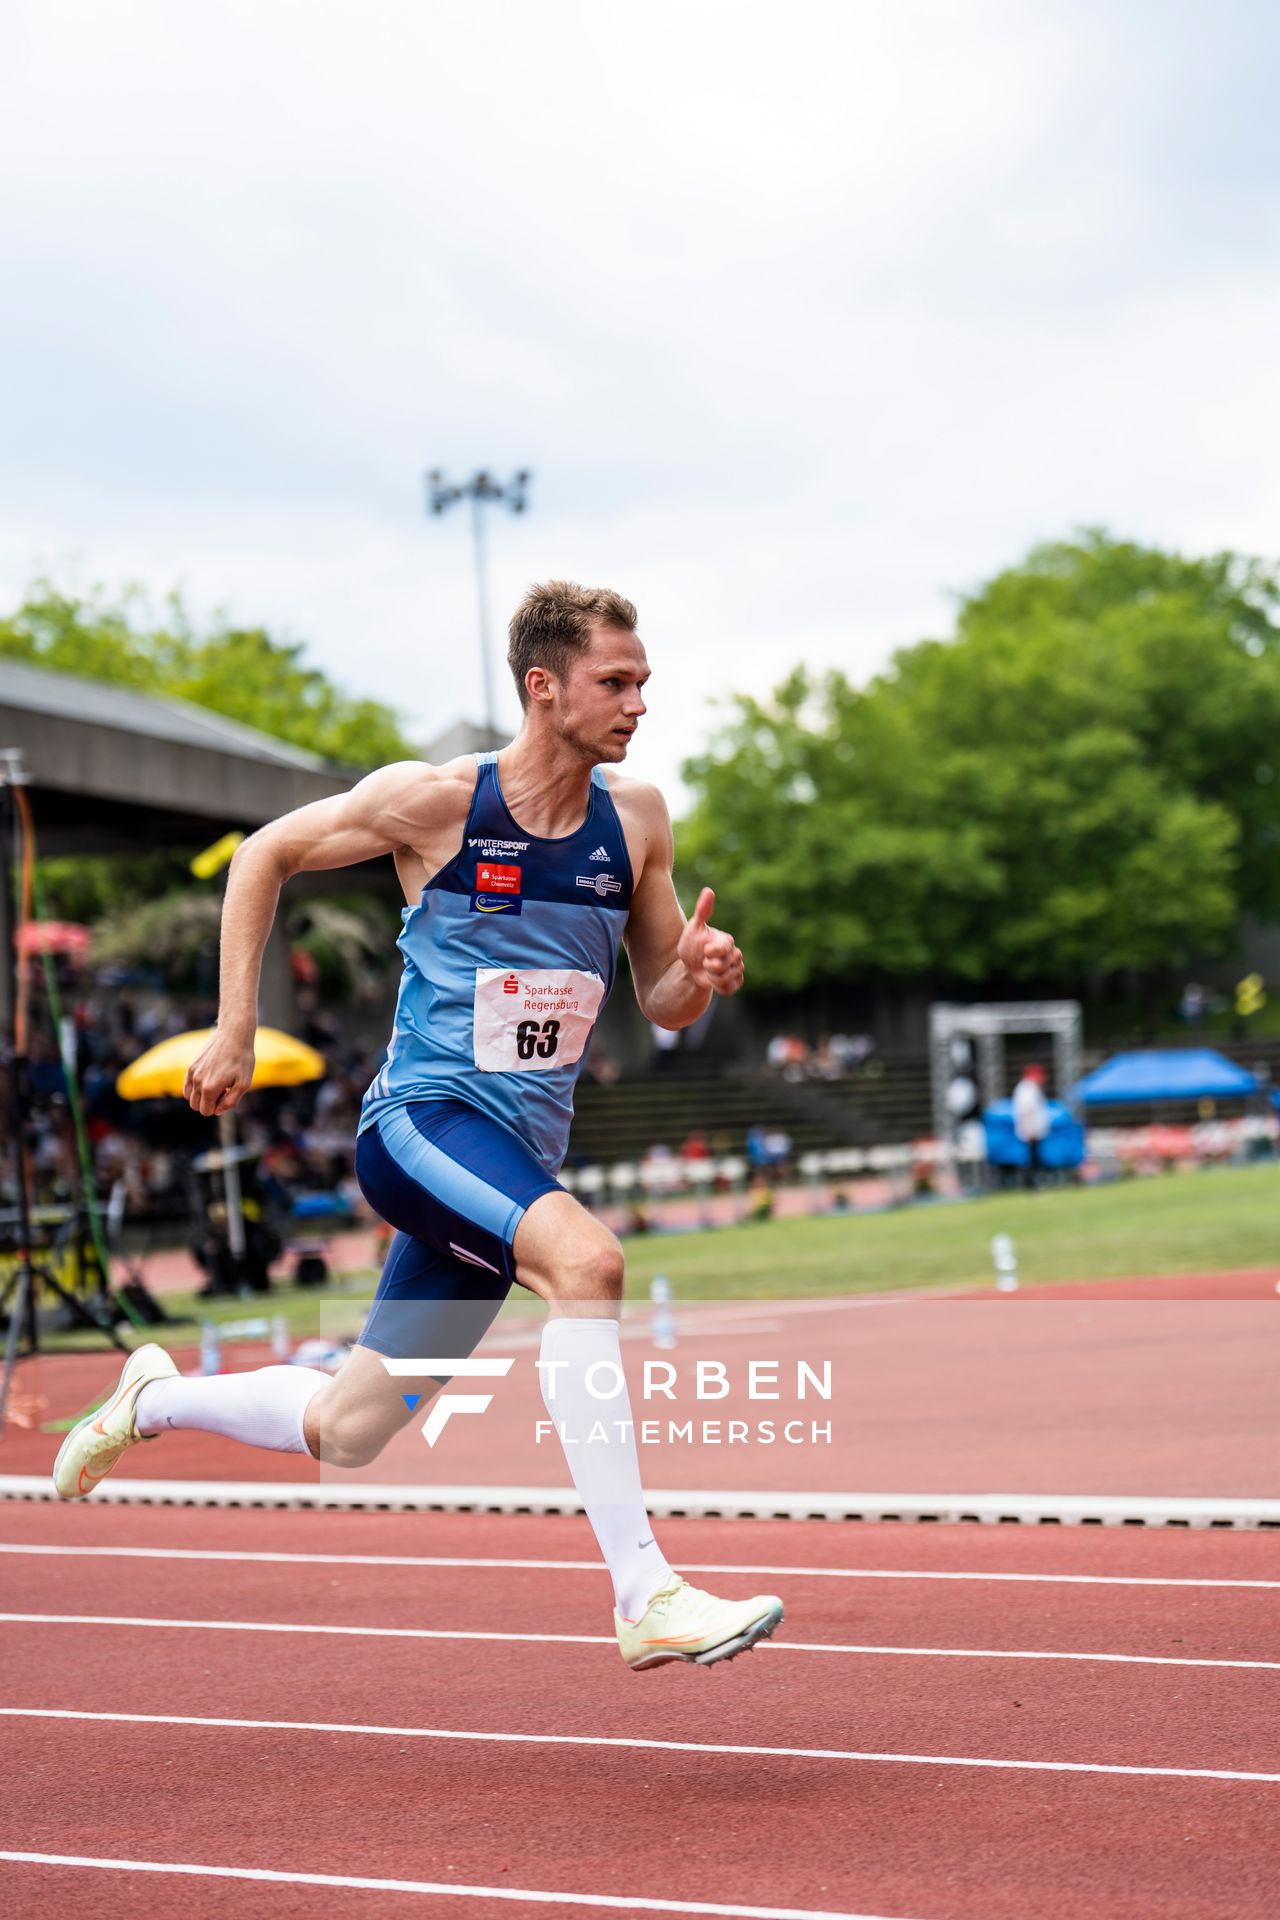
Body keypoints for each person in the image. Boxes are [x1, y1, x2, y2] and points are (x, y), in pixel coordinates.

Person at [53, 580, 783, 1671]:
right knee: (586, 1264)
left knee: (351, 1427)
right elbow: (263, 854)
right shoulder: (437, 802)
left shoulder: (635, 820)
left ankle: (155, 1397)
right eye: (614, 682)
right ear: (543, 688)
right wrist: (235, 1029)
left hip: (513, 1157)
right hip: (421, 1126)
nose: (638, 704)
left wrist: (699, 973)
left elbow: (662, 997)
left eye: (642, 683)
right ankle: (644, 1591)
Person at [1011, 1062, 1050, 1189]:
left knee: (1034, 1158)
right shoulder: (1027, 1089)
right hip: (1030, 1130)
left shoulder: (1030, 1088)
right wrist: (1029, 1130)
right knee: (1030, 1159)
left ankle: (1032, 1183)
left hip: (1033, 1129)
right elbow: (1027, 1111)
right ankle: (1030, 1184)